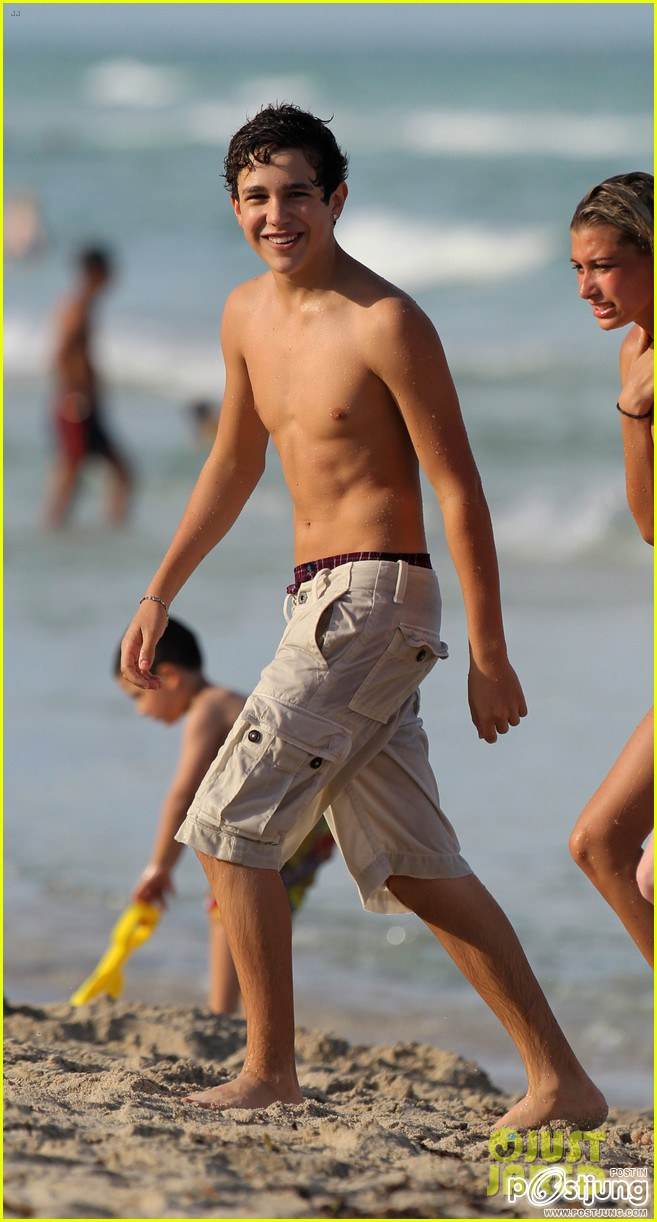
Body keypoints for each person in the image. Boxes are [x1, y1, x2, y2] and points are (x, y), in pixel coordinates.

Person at [121, 104, 606, 1129]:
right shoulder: (244, 315)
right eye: (256, 195)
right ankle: (561, 1080)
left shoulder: (387, 320)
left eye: (297, 191)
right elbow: (234, 463)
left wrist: (490, 651)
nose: (276, 212)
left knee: (229, 821)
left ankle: (269, 1070)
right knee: (415, 865)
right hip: (317, 603)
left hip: (376, 599)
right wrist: (162, 588)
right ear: (236, 207)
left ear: (336, 198)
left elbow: (459, 488)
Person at [116, 616, 336, 1014]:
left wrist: (159, 868)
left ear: (168, 677)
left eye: (138, 697)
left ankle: (222, 1012)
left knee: (231, 905)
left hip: (282, 822)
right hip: (313, 821)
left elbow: (182, 794)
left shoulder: (209, 707)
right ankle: (251, 1016)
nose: (141, 712)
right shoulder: (233, 700)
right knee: (261, 919)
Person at [568, 173, 653, 962]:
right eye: (577, 270)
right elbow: (649, 523)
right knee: (599, 846)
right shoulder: (633, 353)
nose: (588, 286)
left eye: (603, 265)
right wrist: (632, 410)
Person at [44, 246, 134, 528]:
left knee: (114, 472)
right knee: (74, 470)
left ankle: (106, 528)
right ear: (96, 272)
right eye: (108, 269)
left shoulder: (83, 304)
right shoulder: (77, 307)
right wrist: (75, 394)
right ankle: (54, 527)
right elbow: (60, 353)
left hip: (84, 402)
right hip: (75, 402)